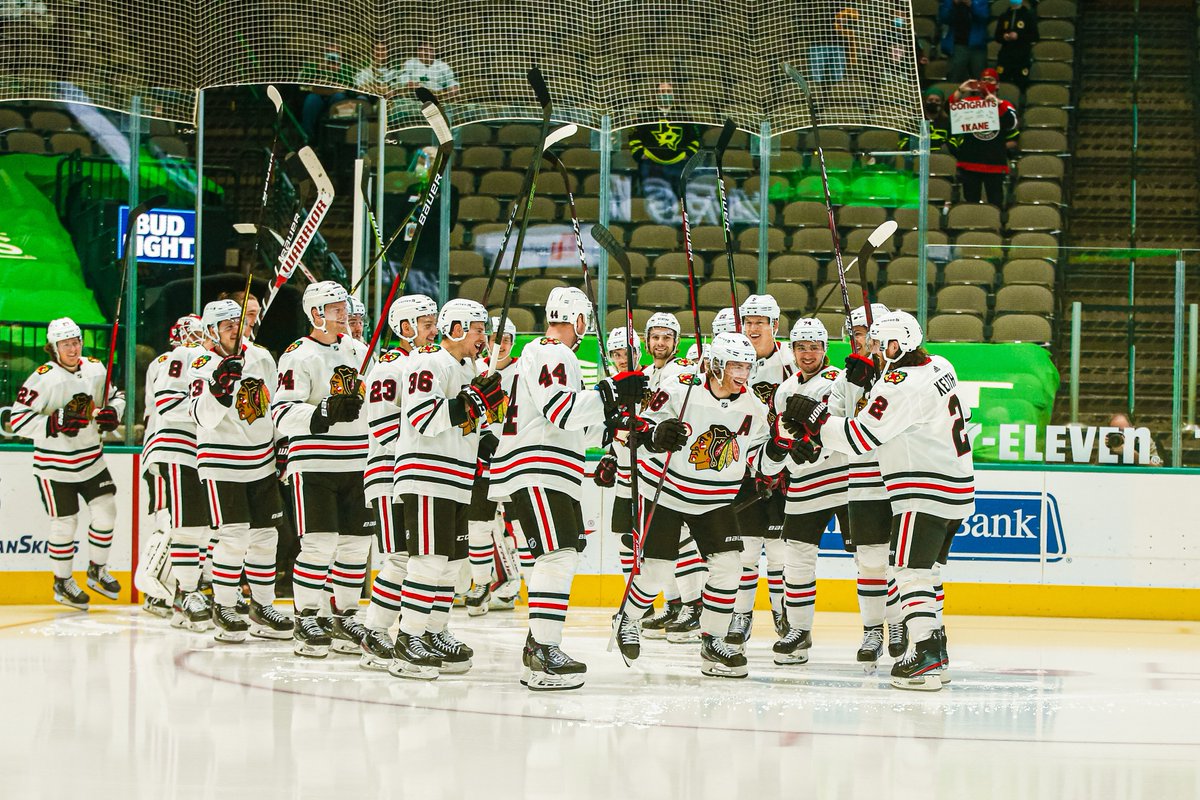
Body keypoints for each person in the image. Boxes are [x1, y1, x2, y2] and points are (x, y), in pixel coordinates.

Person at [783, 311, 975, 692]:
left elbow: (859, 439)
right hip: (957, 487)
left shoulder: (900, 384)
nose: (872, 349)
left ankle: (924, 655)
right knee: (928, 573)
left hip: (923, 489)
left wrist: (817, 419)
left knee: (909, 572)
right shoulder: (940, 364)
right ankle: (937, 650)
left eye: (877, 343)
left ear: (895, 345)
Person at [487, 286, 646, 690]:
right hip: (537, 466)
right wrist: (611, 392)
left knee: (560, 556)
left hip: (548, 468)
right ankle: (543, 649)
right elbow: (560, 410)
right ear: (577, 319)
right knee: (557, 557)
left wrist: (618, 419)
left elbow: (584, 422)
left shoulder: (561, 356)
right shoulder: (551, 350)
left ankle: (536, 647)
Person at [614, 332, 776, 678]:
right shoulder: (678, 390)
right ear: (715, 365)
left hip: (716, 498)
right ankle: (627, 617)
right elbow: (636, 433)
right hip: (667, 490)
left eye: (747, 366)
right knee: (657, 569)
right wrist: (656, 438)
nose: (742, 374)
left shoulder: (754, 407)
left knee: (730, 567)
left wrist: (779, 450)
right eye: (735, 365)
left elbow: (763, 462)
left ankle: (713, 641)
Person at [387, 299, 504, 679]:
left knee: (451, 564)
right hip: (426, 473)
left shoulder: (468, 367)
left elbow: (471, 424)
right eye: (476, 330)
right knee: (429, 560)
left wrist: (489, 436)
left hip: (458, 476)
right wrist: (467, 403)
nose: (482, 338)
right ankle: (408, 639)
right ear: (455, 329)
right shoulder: (428, 362)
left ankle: (434, 632)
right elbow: (423, 418)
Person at [271, 281, 369, 658]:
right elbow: (280, 412)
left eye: (344, 306)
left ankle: (345, 615)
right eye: (334, 307)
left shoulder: (360, 351)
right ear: (315, 314)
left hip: (358, 461)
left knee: (356, 545)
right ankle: (307, 614)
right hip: (314, 464)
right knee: (319, 543)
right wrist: (322, 412)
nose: (343, 313)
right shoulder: (298, 355)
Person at [189, 300, 293, 642]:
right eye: (227, 326)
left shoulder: (261, 357)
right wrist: (219, 387)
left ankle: (262, 605)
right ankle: (224, 605)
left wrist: (282, 445)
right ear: (211, 331)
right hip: (221, 460)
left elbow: (274, 405)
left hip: (260, 459)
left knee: (267, 537)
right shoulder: (202, 363)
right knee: (233, 536)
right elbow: (203, 417)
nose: (236, 329)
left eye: (238, 323)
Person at [8, 318, 124, 609]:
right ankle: (62, 582)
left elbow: (116, 396)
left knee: (106, 513)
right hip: (53, 465)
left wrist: (114, 412)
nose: (73, 349)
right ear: (53, 348)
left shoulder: (96, 368)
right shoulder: (43, 377)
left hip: (91, 459)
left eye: (76, 342)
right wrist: (54, 421)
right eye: (65, 344)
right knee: (65, 524)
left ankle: (98, 570)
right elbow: (17, 420)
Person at [758, 318, 852, 666]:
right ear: (792, 350)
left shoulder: (840, 380)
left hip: (843, 479)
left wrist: (816, 446)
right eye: (801, 347)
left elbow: (840, 423)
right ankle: (798, 632)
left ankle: (881, 628)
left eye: (814, 346)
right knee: (796, 557)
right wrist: (785, 457)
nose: (808, 353)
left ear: (825, 349)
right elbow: (784, 432)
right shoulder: (784, 389)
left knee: (869, 558)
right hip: (804, 482)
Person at [359, 294, 440, 669]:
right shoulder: (389, 368)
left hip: (418, 474)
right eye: (426, 323)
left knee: (427, 557)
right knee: (401, 558)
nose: (434, 329)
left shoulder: (432, 364)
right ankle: (375, 630)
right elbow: (381, 427)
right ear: (405, 328)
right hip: (390, 475)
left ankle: (422, 631)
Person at [832, 304, 909, 662]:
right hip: (862, 480)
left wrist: (877, 383)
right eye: (856, 334)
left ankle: (899, 623)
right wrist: (855, 386)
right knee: (870, 562)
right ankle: (872, 631)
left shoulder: (907, 373)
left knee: (901, 563)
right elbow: (833, 428)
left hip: (901, 479)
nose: (861, 340)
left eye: (867, 333)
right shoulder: (844, 378)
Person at [142, 310, 214, 631]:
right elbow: (164, 406)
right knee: (171, 523)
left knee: (199, 525)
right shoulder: (168, 361)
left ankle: (182, 589)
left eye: (199, 334)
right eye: (189, 334)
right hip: (169, 449)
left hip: (192, 451)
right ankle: (159, 591)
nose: (195, 340)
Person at [728, 294, 793, 648]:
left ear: (774, 326)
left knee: (781, 552)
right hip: (745, 468)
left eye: (760, 322)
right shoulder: (736, 361)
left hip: (783, 469)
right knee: (746, 551)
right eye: (748, 322)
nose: (753, 328)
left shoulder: (790, 362)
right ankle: (741, 615)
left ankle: (783, 610)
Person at [462, 316, 522, 615]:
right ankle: (482, 582)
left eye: (507, 339)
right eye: (496, 339)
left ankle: (521, 584)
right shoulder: (474, 369)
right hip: (482, 459)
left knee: (518, 529)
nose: (501, 345)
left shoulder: (525, 370)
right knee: (478, 525)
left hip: (515, 459)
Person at [947, 70, 1019, 206]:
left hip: (995, 164)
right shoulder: (969, 102)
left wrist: (997, 103)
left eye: (990, 79)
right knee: (970, 204)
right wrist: (960, 90)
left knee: (995, 204)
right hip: (970, 162)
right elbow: (949, 112)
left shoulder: (1005, 105)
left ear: (997, 85)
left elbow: (1012, 123)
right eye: (984, 79)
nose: (986, 82)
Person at [627, 83, 701, 191]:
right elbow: (633, 136)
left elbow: (695, 137)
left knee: (677, 197)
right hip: (651, 164)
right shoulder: (645, 115)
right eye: (662, 91)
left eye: (668, 91)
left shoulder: (683, 115)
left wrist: (688, 154)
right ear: (656, 95)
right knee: (652, 198)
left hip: (678, 165)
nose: (665, 94)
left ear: (673, 94)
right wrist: (640, 153)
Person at [940, 0, 991, 83]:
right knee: (954, 78)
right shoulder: (949, 1)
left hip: (977, 46)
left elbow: (984, 17)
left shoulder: (981, 1)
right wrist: (953, 4)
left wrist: (970, 4)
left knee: (980, 79)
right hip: (957, 45)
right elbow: (943, 17)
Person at [994, 0, 1039, 92]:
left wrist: (1019, 36)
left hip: (1022, 57)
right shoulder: (1004, 16)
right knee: (1002, 85)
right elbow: (997, 36)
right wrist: (1004, 37)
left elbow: (1035, 37)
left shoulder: (1028, 16)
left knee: (1021, 85)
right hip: (1006, 56)